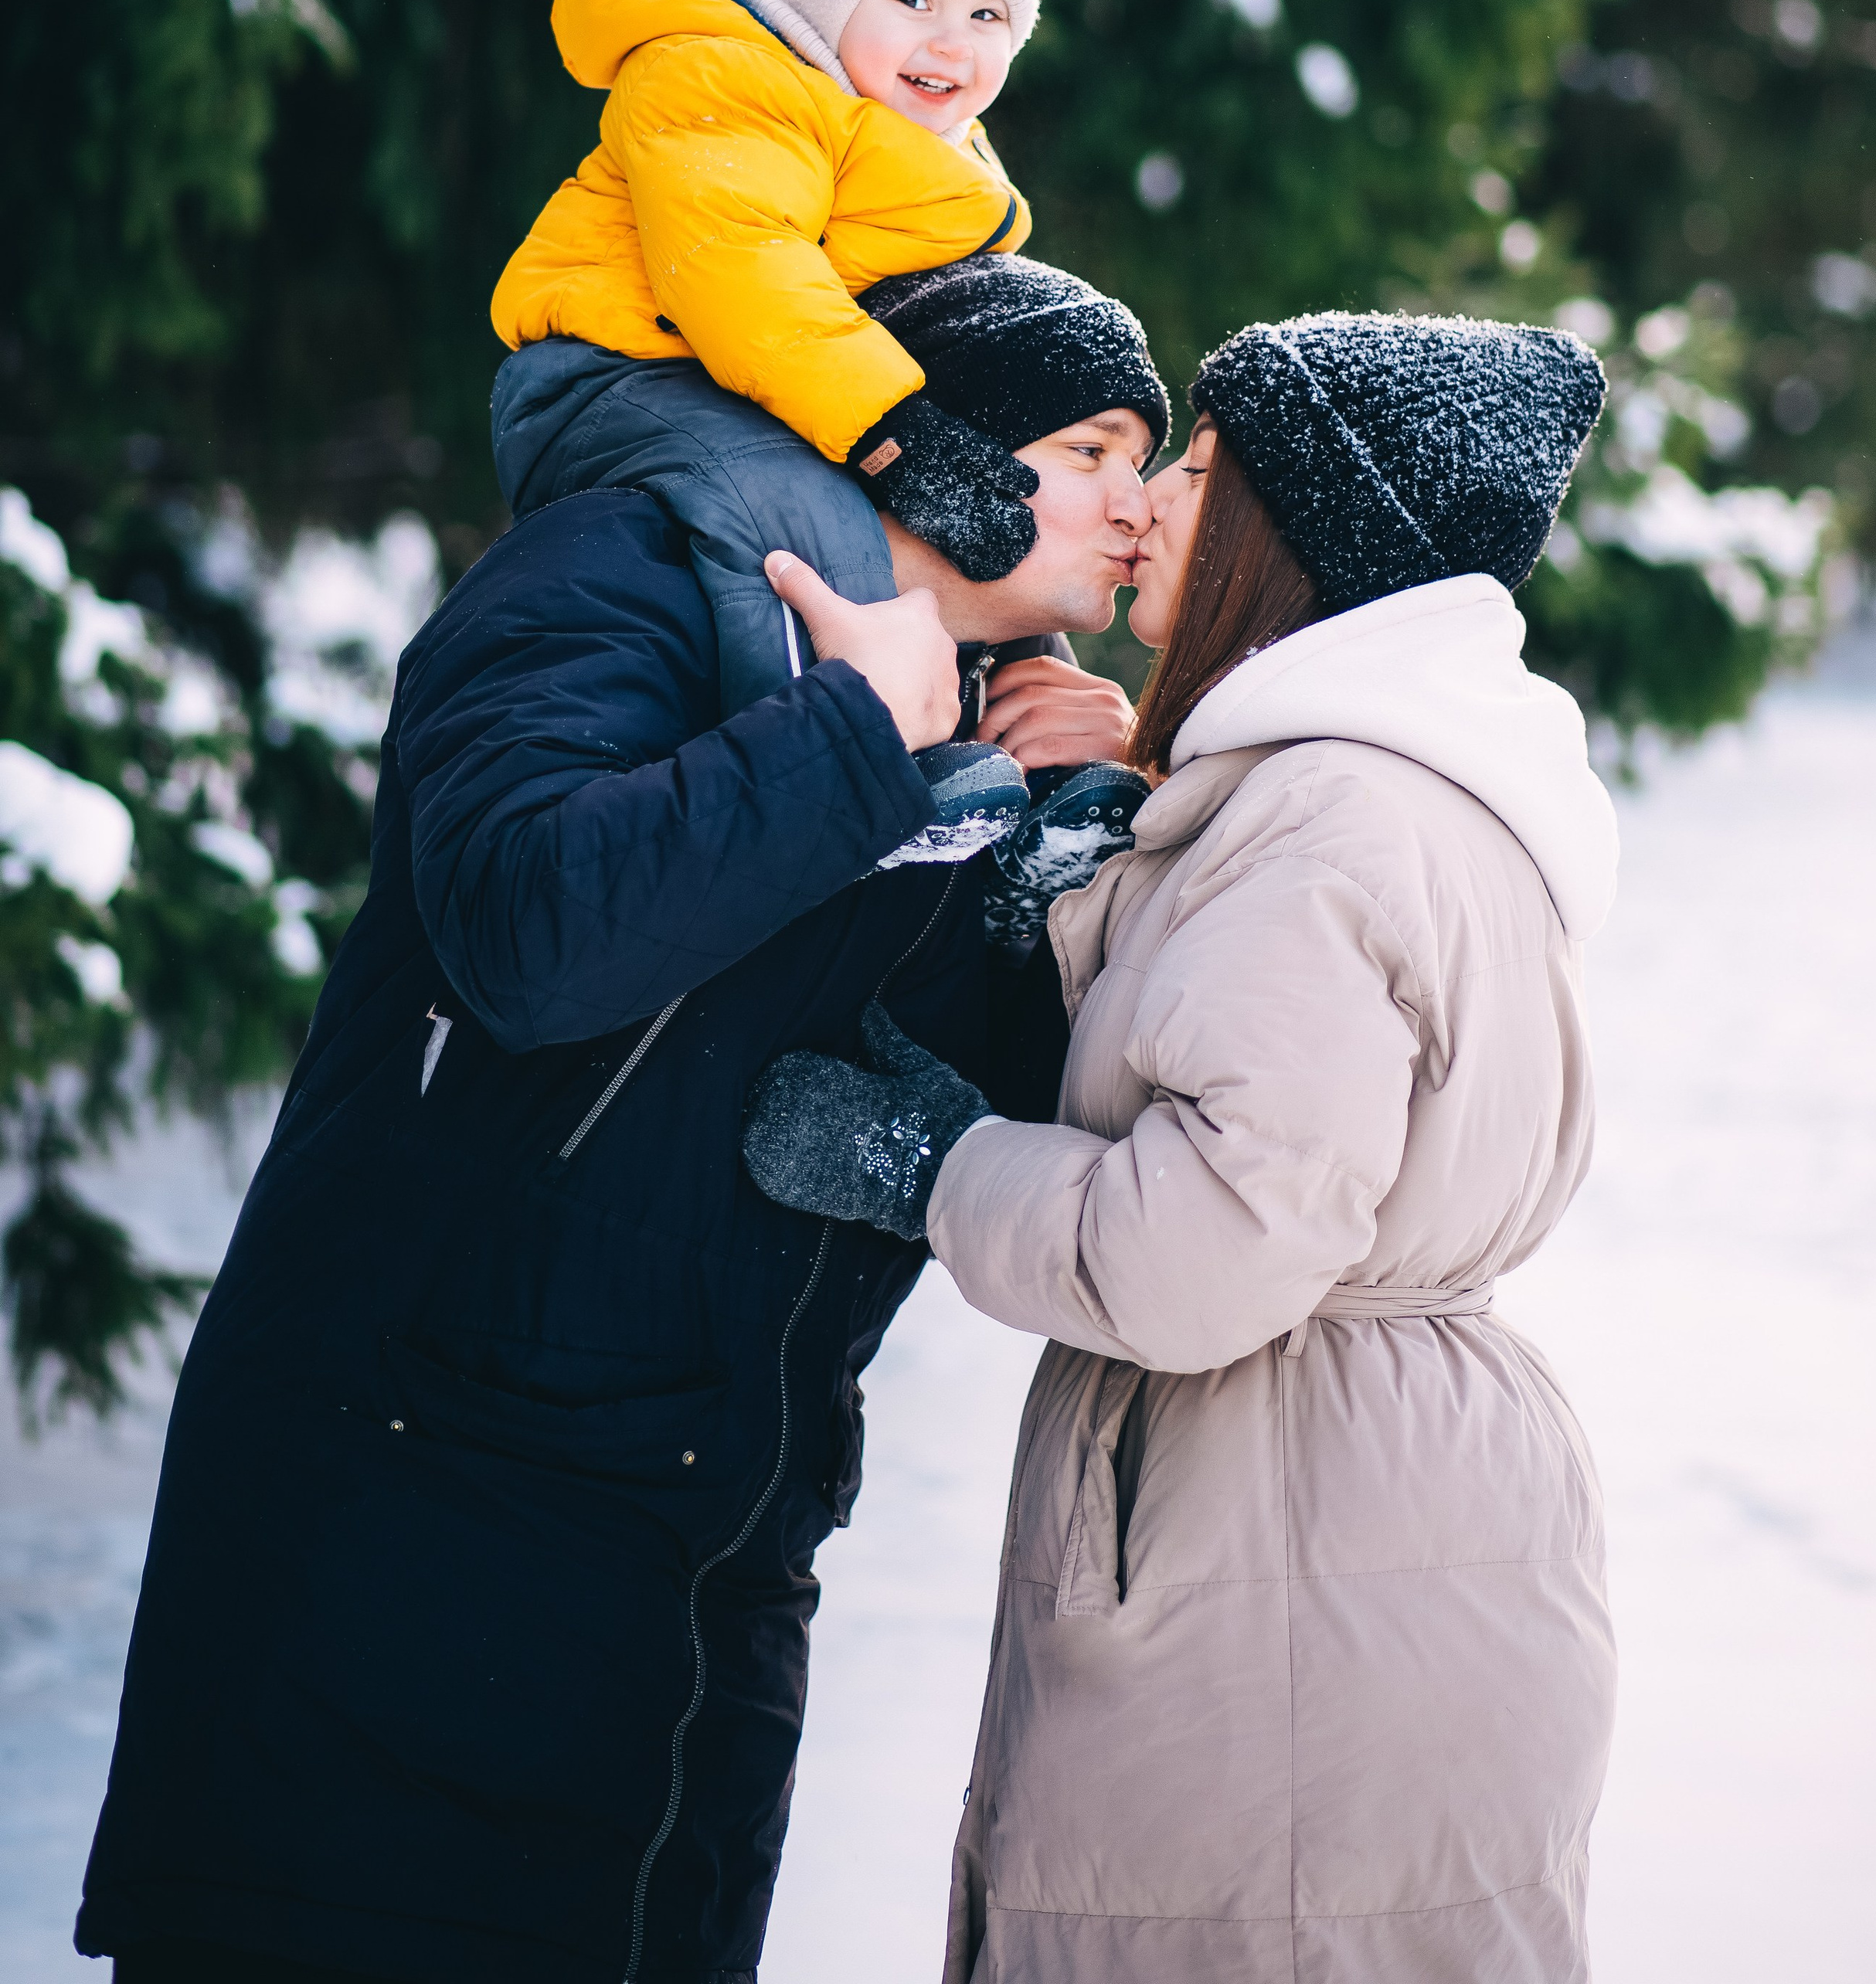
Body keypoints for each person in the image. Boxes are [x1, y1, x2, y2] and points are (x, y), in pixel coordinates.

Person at [75, 253, 1167, 1984]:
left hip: (702, 1552)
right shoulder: (624, 569)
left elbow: (952, 1116)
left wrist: (1078, 840)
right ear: (931, 442)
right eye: (1094, 448)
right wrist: (853, 730)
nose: (1135, 507)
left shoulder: (977, 728)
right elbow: (525, 929)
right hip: (416, 1520)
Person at [744, 307, 1622, 1983]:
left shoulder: (1324, 821)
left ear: (1300, 535)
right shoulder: (1373, 790)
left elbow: (1205, 1245)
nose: (1143, 500)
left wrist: (926, 1166)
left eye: (1197, 471)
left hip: (1286, 1537)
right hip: (1357, 1515)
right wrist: (1104, 841)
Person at [489, 0, 1059, 854]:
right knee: (794, 512)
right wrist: (894, 432)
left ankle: (1028, 748)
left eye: (987, 13)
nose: (954, 42)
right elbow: (741, 270)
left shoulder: (920, 140)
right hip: (614, 376)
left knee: (997, 516)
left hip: (763, 378)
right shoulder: (726, 70)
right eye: (911, 0)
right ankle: (842, 769)